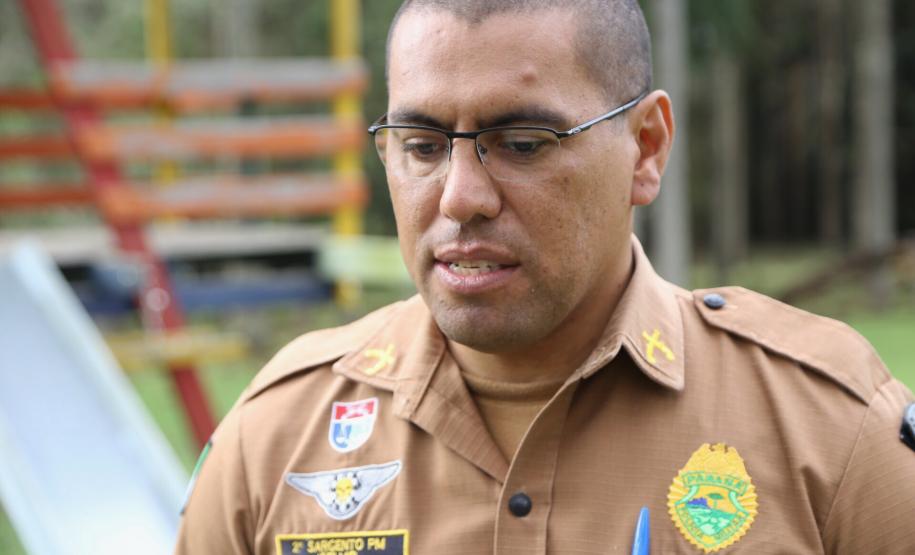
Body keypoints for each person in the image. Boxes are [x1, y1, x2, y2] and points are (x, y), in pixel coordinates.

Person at [176, 1, 915, 553]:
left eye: (524, 143)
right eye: (422, 145)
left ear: (646, 147)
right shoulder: (276, 437)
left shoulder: (826, 427)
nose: (461, 196)